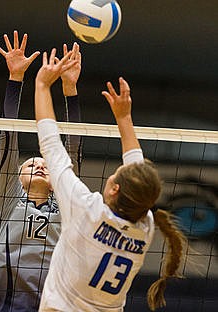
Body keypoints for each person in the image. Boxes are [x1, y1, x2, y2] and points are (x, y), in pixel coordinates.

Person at [34, 48, 186, 311]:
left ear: (115, 188)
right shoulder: (143, 227)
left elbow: (51, 147)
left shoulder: (88, 211)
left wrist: (42, 85)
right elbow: (137, 172)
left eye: (116, 173)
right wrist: (124, 118)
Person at [0, 32, 82, 312]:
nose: (40, 164)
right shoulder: (10, 196)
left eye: (46, 164)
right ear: (17, 177)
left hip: (54, 305)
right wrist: (15, 79)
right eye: (31, 164)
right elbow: (9, 134)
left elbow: (73, 145)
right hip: (7, 305)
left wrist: (70, 89)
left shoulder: (65, 202)